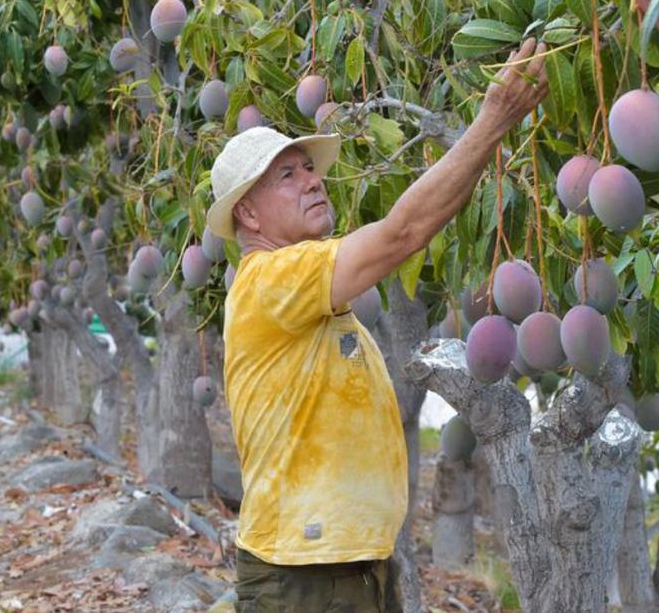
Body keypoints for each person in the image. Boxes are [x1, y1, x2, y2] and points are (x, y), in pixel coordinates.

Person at [205, 38, 550, 612]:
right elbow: (402, 234)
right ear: (247, 213)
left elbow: (416, 227)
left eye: (309, 169)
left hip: (350, 563)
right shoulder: (269, 280)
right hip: (305, 573)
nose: (313, 180)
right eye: (287, 176)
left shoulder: (314, 301)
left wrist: (492, 139)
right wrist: (492, 121)